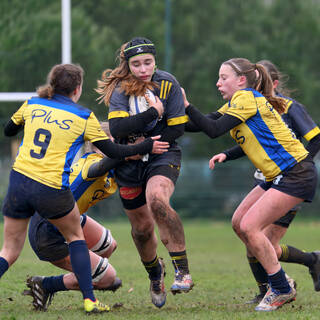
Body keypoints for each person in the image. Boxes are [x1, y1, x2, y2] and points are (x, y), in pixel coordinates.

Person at [0, 63, 169, 314]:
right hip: (48, 219)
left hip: (20, 181)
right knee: (104, 273)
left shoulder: (33, 103)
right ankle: (62, 288)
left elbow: (9, 130)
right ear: (77, 89)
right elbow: (113, 155)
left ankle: (86, 275)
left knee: (107, 245)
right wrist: (143, 144)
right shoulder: (90, 151)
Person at [182, 58, 317, 311]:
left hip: (294, 173)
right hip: (278, 176)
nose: (218, 82)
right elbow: (200, 123)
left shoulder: (246, 98)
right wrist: (165, 116)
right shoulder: (238, 102)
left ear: (241, 80)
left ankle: (280, 287)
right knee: (239, 223)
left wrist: (187, 104)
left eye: (223, 77)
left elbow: (212, 129)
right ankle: (278, 282)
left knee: (250, 226)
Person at [95, 37, 193, 308]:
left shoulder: (168, 83)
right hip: (129, 161)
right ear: (127, 65)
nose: (143, 69)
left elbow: (176, 129)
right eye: (136, 64)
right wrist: (152, 114)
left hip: (163, 154)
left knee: (157, 200)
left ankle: (182, 270)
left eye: (147, 62)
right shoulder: (120, 89)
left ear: (155, 60)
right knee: (141, 229)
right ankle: (155, 274)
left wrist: (148, 142)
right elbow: (117, 131)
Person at [23, 122, 123, 311]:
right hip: (47, 232)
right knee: (107, 277)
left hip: (67, 220)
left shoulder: (106, 165)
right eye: (118, 141)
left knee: (109, 245)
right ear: (106, 142)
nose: (122, 144)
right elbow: (101, 167)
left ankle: (90, 271)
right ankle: (45, 285)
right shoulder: (92, 164)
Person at [245, 60, 320, 303]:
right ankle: (307, 263)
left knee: (260, 241)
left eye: (259, 82)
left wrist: (298, 166)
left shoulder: (290, 108)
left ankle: (280, 285)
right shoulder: (254, 108)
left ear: (273, 83)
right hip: (268, 182)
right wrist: (227, 153)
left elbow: (316, 139)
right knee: (256, 240)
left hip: (290, 183)